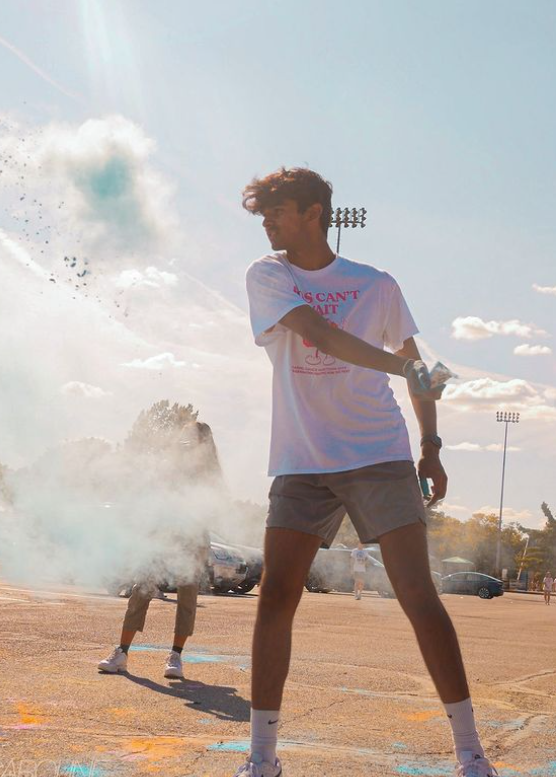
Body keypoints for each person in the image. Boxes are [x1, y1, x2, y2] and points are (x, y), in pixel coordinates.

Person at [231, 168, 496, 777]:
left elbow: (415, 364)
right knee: (275, 598)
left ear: (316, 212)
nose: (268, 224)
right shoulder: (269, 273)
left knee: (418, 596)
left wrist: (430, 445)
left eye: (279, 212)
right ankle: (262, 760)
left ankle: (470, 752)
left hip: (378, 454)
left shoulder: (376, 285)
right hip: (302, 461)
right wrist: (405, 372)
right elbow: (318, 334)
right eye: (264, 215)